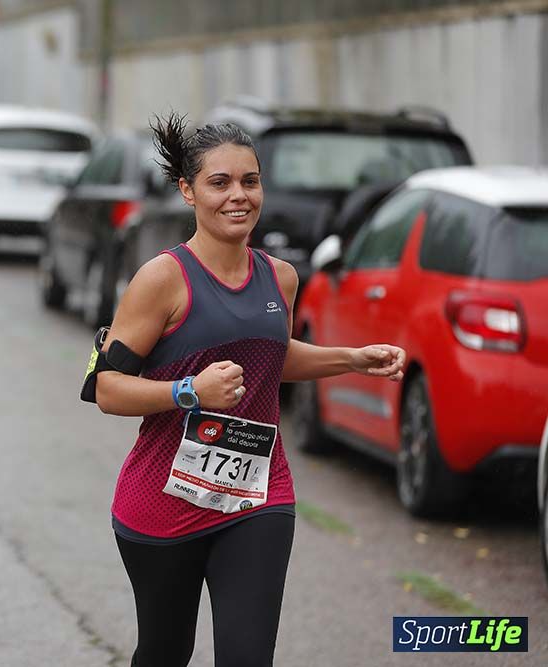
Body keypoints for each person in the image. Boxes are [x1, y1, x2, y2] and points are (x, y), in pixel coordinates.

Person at [92, 112, 405, 666]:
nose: (238, 196)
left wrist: (352, 358)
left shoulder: (280, 277)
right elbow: (108, 389)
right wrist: (189, 392)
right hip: (162, 501)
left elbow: (271, 358)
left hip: (258, 494)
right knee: (166, 652)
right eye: (220, 183)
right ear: (188, 191)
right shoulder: (163, 279)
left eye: (250, 181)